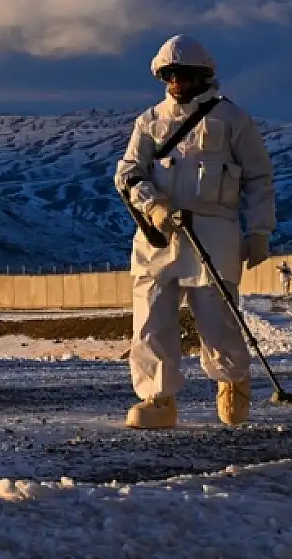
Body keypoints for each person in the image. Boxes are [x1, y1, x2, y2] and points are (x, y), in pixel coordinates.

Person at [114, 35, 275, 429]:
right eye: (169, 74)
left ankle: (232, 381)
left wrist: (259, 230)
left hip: (215, 229)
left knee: (216, 316)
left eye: (184, 74)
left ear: (203, 75)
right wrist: (153, 205)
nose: (176, 82)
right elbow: (128, 172)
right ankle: (157, 397)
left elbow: (258, 177)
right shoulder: (149, 122)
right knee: (151, 316)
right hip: (160, 232)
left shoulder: (234, 120)